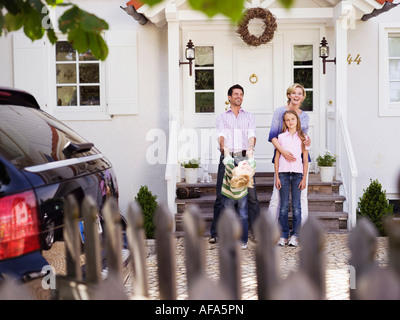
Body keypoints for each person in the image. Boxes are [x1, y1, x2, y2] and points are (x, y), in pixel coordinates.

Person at [209, 84, 260, 244]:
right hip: (227, 157)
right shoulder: (222, 117)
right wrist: (225, 151)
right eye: (236, 94)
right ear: (229, 97)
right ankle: (215, 232)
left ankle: (256, 232)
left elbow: (252, 134)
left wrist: (251, 149)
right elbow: (221, 135)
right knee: (221, 195)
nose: (239, 96)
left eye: (241, 94)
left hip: (244, 158)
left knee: (251, 196)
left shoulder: (249, 116)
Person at [267, 83, 311, 226]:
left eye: (300, 93)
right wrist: (283, 152)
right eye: (294, 93)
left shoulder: (304, 117)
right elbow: (273, 136)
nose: (296, 96)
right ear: (289, 95)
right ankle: (270, 229)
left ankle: (303, 230)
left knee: (302, 197)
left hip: (300, 162)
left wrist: (308, 142)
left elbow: (304, 139)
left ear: (303, 97)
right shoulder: (279, 112)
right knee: (276, 197)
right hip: (282, 160)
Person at [274, 110, 309, 247]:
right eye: (287, 120)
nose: (290, 122)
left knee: (296, 206)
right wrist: (276, 177)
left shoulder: (304, 138)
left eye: (292, 119)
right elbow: (277, 158)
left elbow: (305, 160)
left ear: (297, 120)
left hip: (297, 175)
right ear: (285, 122)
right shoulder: (281, 137)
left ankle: (296, 235)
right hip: (283, 174)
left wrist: (304, 178)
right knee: (283, 206)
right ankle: (283, 235)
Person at [221, 146, 256, 249]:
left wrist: (226, 148)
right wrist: (250, 151)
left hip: (228, 195)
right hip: (241, 195)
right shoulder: (251, 167)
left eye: (244, 166)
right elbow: (251, 157)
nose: (245, 164)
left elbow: (227, 155)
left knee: (229, 217)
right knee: (243, 216)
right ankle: (243, 241)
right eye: (245, 167)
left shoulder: (231, 168)